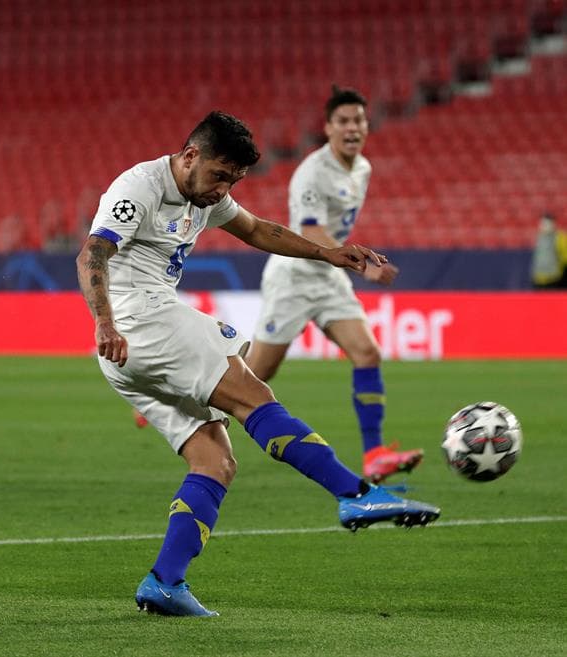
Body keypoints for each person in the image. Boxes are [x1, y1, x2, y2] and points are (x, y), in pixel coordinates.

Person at [76, 110, 440, 618]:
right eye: (219, 175)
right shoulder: (139, 186)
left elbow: (257, 230)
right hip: (138, 321)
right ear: (189, 156)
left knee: (216, 462)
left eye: (234, 179)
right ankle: (355, 493)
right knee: (256, 399)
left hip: (128, 352)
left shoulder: (207, 193)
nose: (223, 188)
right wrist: (105, 322)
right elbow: (93, 252)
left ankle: (164, 581)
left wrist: (328, 254)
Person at [245, 86, 423, 484]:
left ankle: (375, 454)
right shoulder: (312, 171)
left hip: (329, 278)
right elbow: (310, 228)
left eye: (358, 120)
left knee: (367, 352)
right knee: (254, 377)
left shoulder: (362, 168)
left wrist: (345, 262)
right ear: (327, 128)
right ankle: (184, 405)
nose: (352, 128)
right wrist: (357, 262)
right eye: (342, 121)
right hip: (293, 278)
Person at [530, 212, 567, 288]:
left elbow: (565, 258)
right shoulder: (539, 237)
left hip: (554, 278)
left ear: (553, 224)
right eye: (542, 223)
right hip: (538, 278)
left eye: (547, 223)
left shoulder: (559, 237)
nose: (544, 226)